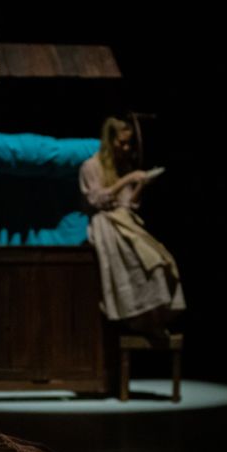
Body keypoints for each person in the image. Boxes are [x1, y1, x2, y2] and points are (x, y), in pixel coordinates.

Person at [79, 116, 186, 335]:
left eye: (129, 144)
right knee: (135, 261)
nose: (126, 148)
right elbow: (96, 200)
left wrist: (140, 185)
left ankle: (152, 319)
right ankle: (138, 320)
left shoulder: (122, 166)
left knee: (159, 260)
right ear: (110, 140)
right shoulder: (90, 166)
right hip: (106, 223)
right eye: (122, 142)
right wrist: (127, 180)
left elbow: (128, 204)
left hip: (125, 220)